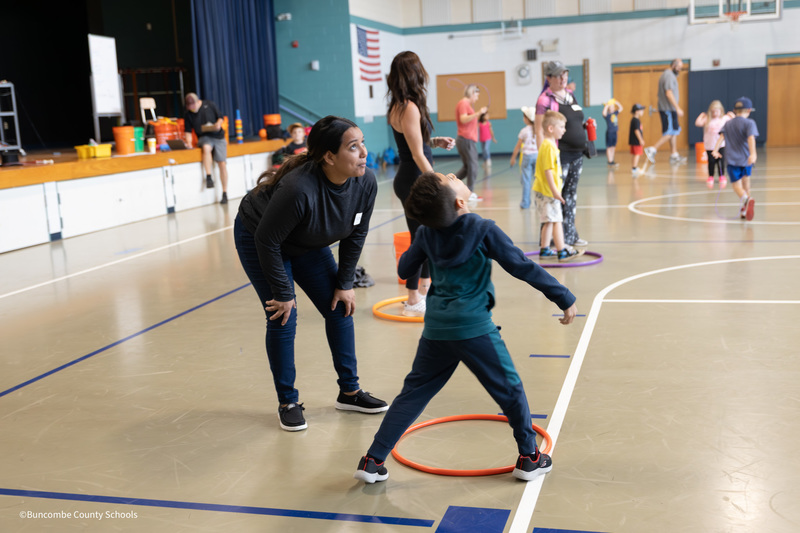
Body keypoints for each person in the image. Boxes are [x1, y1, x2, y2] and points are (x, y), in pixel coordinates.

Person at [353, 170, 578, 484]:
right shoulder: (484, 229)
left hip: (436, 330)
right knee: (510, 389)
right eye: (450, 179)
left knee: (413, 394)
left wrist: (422, 242)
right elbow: (521, 265)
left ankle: (372, 460)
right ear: (460, 200)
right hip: (474, 328)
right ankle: (529, 457)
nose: (452, 175)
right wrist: (563, 296)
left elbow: (406, 268)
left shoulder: (427, 233)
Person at [234, 115, 388, 432]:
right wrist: (283, 293)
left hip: (305, 240)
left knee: (341, 307)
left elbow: (356, 234)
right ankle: (287, 402)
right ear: (329, 157)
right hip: (260, 236)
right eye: (353, 146)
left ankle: (350, 393)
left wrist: (345, 283)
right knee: (283, 314)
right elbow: (268, 240)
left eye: (363, 144)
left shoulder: (365, 182)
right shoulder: (299, 189)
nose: (364, 153)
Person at [386, 51, 456, 317]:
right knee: (421, 241)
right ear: (415, 74)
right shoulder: (409, 107)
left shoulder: (399, 105)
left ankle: (423, 292)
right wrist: (438, 181)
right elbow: (415, 154)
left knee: (425, 236)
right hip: (414, 179)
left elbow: (415, 143)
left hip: (411, 177)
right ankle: (414, 297)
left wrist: (435, 142)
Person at [535, 61, 588, 248]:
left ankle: (570, 236)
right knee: (553, 197)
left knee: (570, 196)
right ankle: (548, 240)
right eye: (558, 75)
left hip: (576, 154)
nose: (562, 78)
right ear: (548, 78)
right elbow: (540, 130)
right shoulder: (545, 100)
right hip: (559, 156)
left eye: (564, 74)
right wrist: (544, 158)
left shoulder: (570, 95)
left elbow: (573, 121)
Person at [535, 111, 582, 263]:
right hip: (549, 192)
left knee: (549, 220)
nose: (564, 130)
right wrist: (556, 192)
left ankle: (545, 249)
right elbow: (548, 171)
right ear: (550, 129)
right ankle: (562, 251)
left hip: (544, 191)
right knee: (556, 220)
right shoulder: (549, 147)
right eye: (561, 127)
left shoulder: (548, 145)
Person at [712, 97, 758, 221]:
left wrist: (715, 150)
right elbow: (751, 138)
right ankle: (745, 207)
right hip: (746, 160)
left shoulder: (728, 123)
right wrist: (753, 154)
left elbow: (721, 137)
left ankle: (746, 202)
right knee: (746, 184)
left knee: (736, 186)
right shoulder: (750, 123)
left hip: (732, 161)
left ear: (734, 110)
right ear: (748, 110)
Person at [183, 93, 229, 204]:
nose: (192, 108)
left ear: (197, 102)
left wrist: (218, 124)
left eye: (193, 105)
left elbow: (220, 118)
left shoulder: (209, 105)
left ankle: (224, 192)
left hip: (218, 136)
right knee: (206, 147)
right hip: (204, 137)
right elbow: (188, 131)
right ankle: (208, 176)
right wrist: (188, 143)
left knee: (222, 163)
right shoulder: (188, 114)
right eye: (189, 107)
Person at [644, 59, 685, 166]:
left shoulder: (671, 75)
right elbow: (668, 93)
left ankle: (674, 154)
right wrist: (677, 108)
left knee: (674, 131)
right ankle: (652, 149)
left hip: (671, 109)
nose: (680, 70)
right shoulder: (669, 75)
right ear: (674, 66)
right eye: (679, 67)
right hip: (668, 109)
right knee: (669, 132)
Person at [455, 84, 487, 201]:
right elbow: (463, 119)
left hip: (466, 140)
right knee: (473, 166)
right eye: (476, 95)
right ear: (472, 93)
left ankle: (449, 185)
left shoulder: (467, 105)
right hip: (466, 139)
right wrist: (478, 113)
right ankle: (469, 193)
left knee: (467, 168)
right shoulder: (463, 103)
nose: (477, 98)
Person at [695, 100, 733, 189]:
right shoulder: (708, 119)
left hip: (721, 145)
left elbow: (735, 122)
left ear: (721, 110)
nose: (715, 113)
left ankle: (721, 176)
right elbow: (698, 123)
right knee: (711, 162)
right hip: (710, 145)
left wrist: (732, 115)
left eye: (717, 111)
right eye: (713, 111)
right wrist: (701, 115)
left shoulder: (724, 118)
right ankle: (711, 176)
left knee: (720, 161)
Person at [509, 106, 538, 209]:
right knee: (537, 180)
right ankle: (538, 202)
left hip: (527, 157)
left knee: (526, 181)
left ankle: (525, 203)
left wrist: (513, 158)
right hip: (537, 156)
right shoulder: (539, 130)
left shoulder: (524, 131)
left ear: (527, 119)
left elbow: (517, 147)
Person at [602, 98, 623, 168]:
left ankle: (612, 160)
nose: (613, 108)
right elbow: (603, 113)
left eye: (613, 107)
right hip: (610, 132)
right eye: (611, 107)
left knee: (613, 147)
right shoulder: (607, 116)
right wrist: (607, 105)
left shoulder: (615, 113)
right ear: (608, 109)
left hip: (615, 132)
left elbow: (621, 108)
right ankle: (609, 161)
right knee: (609, 147)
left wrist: (616, 102)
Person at [629, 104, 646, 176]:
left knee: (635, 154)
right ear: (636, 111)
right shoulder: (636, 120)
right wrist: (641, 139)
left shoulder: (635, 120)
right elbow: (637, 131)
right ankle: (634, 168)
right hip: (636, 141)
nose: (643, 112)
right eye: (641, 110)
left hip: (634, 141)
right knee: (637, 154)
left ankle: (634, 167)